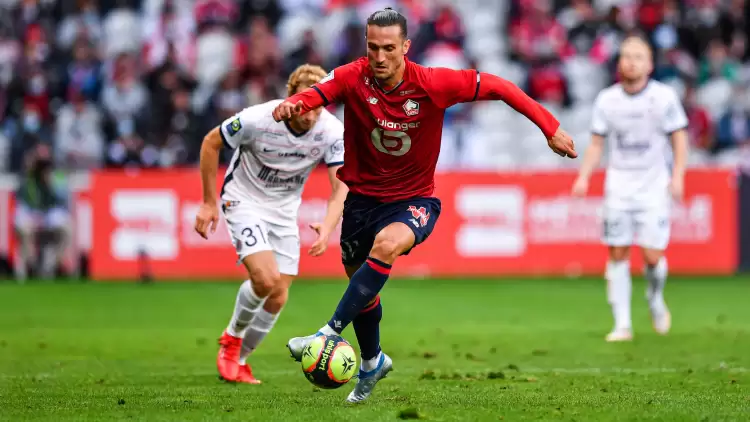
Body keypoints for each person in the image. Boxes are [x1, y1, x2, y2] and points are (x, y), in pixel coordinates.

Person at [273, 8, 576, 403]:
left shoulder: (434, 83)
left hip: (413, 200)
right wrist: (294, 104)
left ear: (405, 47)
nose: (379, 57)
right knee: (361, 284)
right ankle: (372, 361)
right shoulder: (353, 75)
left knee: (386, 246)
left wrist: (549, 127)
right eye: (372, 47)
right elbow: (318, 93)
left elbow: (500, 86)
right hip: (362, 201)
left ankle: (327, 333)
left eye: (388, 48)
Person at [193, 64, 348, 384]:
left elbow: (340, 185)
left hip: (284, 211)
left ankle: (241, 360)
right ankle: (231, 339)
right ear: (291, 98)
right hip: (243, 200)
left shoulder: (332, 131)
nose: (311, 113)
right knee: (264, 280)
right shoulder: (258, 119)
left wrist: (330, 224)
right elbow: (211, 143)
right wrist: (209, 203)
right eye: (305, 104)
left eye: (319, 104)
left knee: (278, 294)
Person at [572, 35, 689, 342]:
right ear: (619, 63)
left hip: (652, 187)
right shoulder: (607, 100)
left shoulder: (664, 98)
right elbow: (597, 143)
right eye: (626, 56)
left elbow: (679, 138)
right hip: (619, 187)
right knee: (618, 253)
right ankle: (622, 324)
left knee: (652, 256)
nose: (631, 61)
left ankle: (654, 298)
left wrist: (677, 175)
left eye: (638, 56)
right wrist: (584, 176)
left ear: (649, 64)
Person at [14, 143, 72, 282]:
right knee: (25, 230)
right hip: (30, 212)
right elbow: (21, 198)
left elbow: (62, 200)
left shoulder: (56, 176)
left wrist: (51, 183)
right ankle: (29, 266)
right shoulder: (27, 176)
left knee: (67, 228)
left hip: (48, 212)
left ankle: (54, 264)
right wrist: (30, 167)